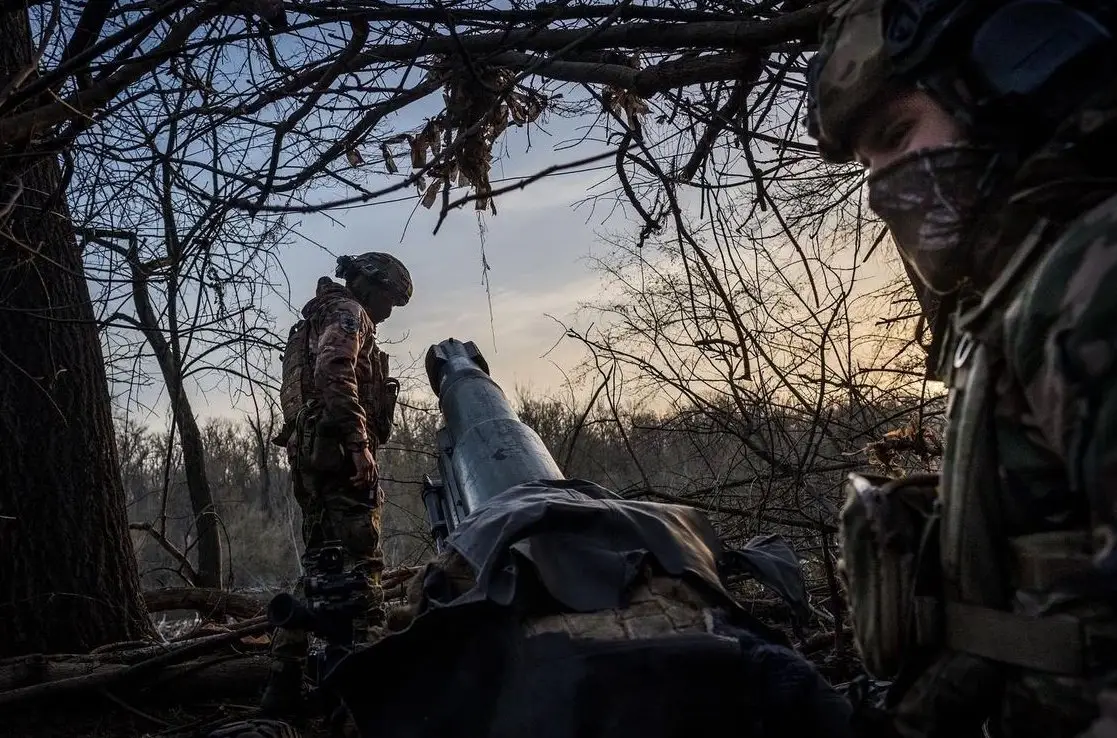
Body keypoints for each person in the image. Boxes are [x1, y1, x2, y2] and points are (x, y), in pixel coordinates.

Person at [805, 1, 1117, 737]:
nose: (883, 187)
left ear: (1010, 80)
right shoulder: (1019, 288)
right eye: (867, 165)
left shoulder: (1091, 274)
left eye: (896, 134)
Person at [260, 251, 412, 717]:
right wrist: (357, 441)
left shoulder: (312, 319)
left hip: (312, 459)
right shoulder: (349, 313)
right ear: (372, 284)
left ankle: (284, 685)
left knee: (321, 570)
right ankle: (369, 699)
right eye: (389, 300)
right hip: (338, 458)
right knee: (363, 571)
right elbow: (334, 370)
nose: (387, 313)